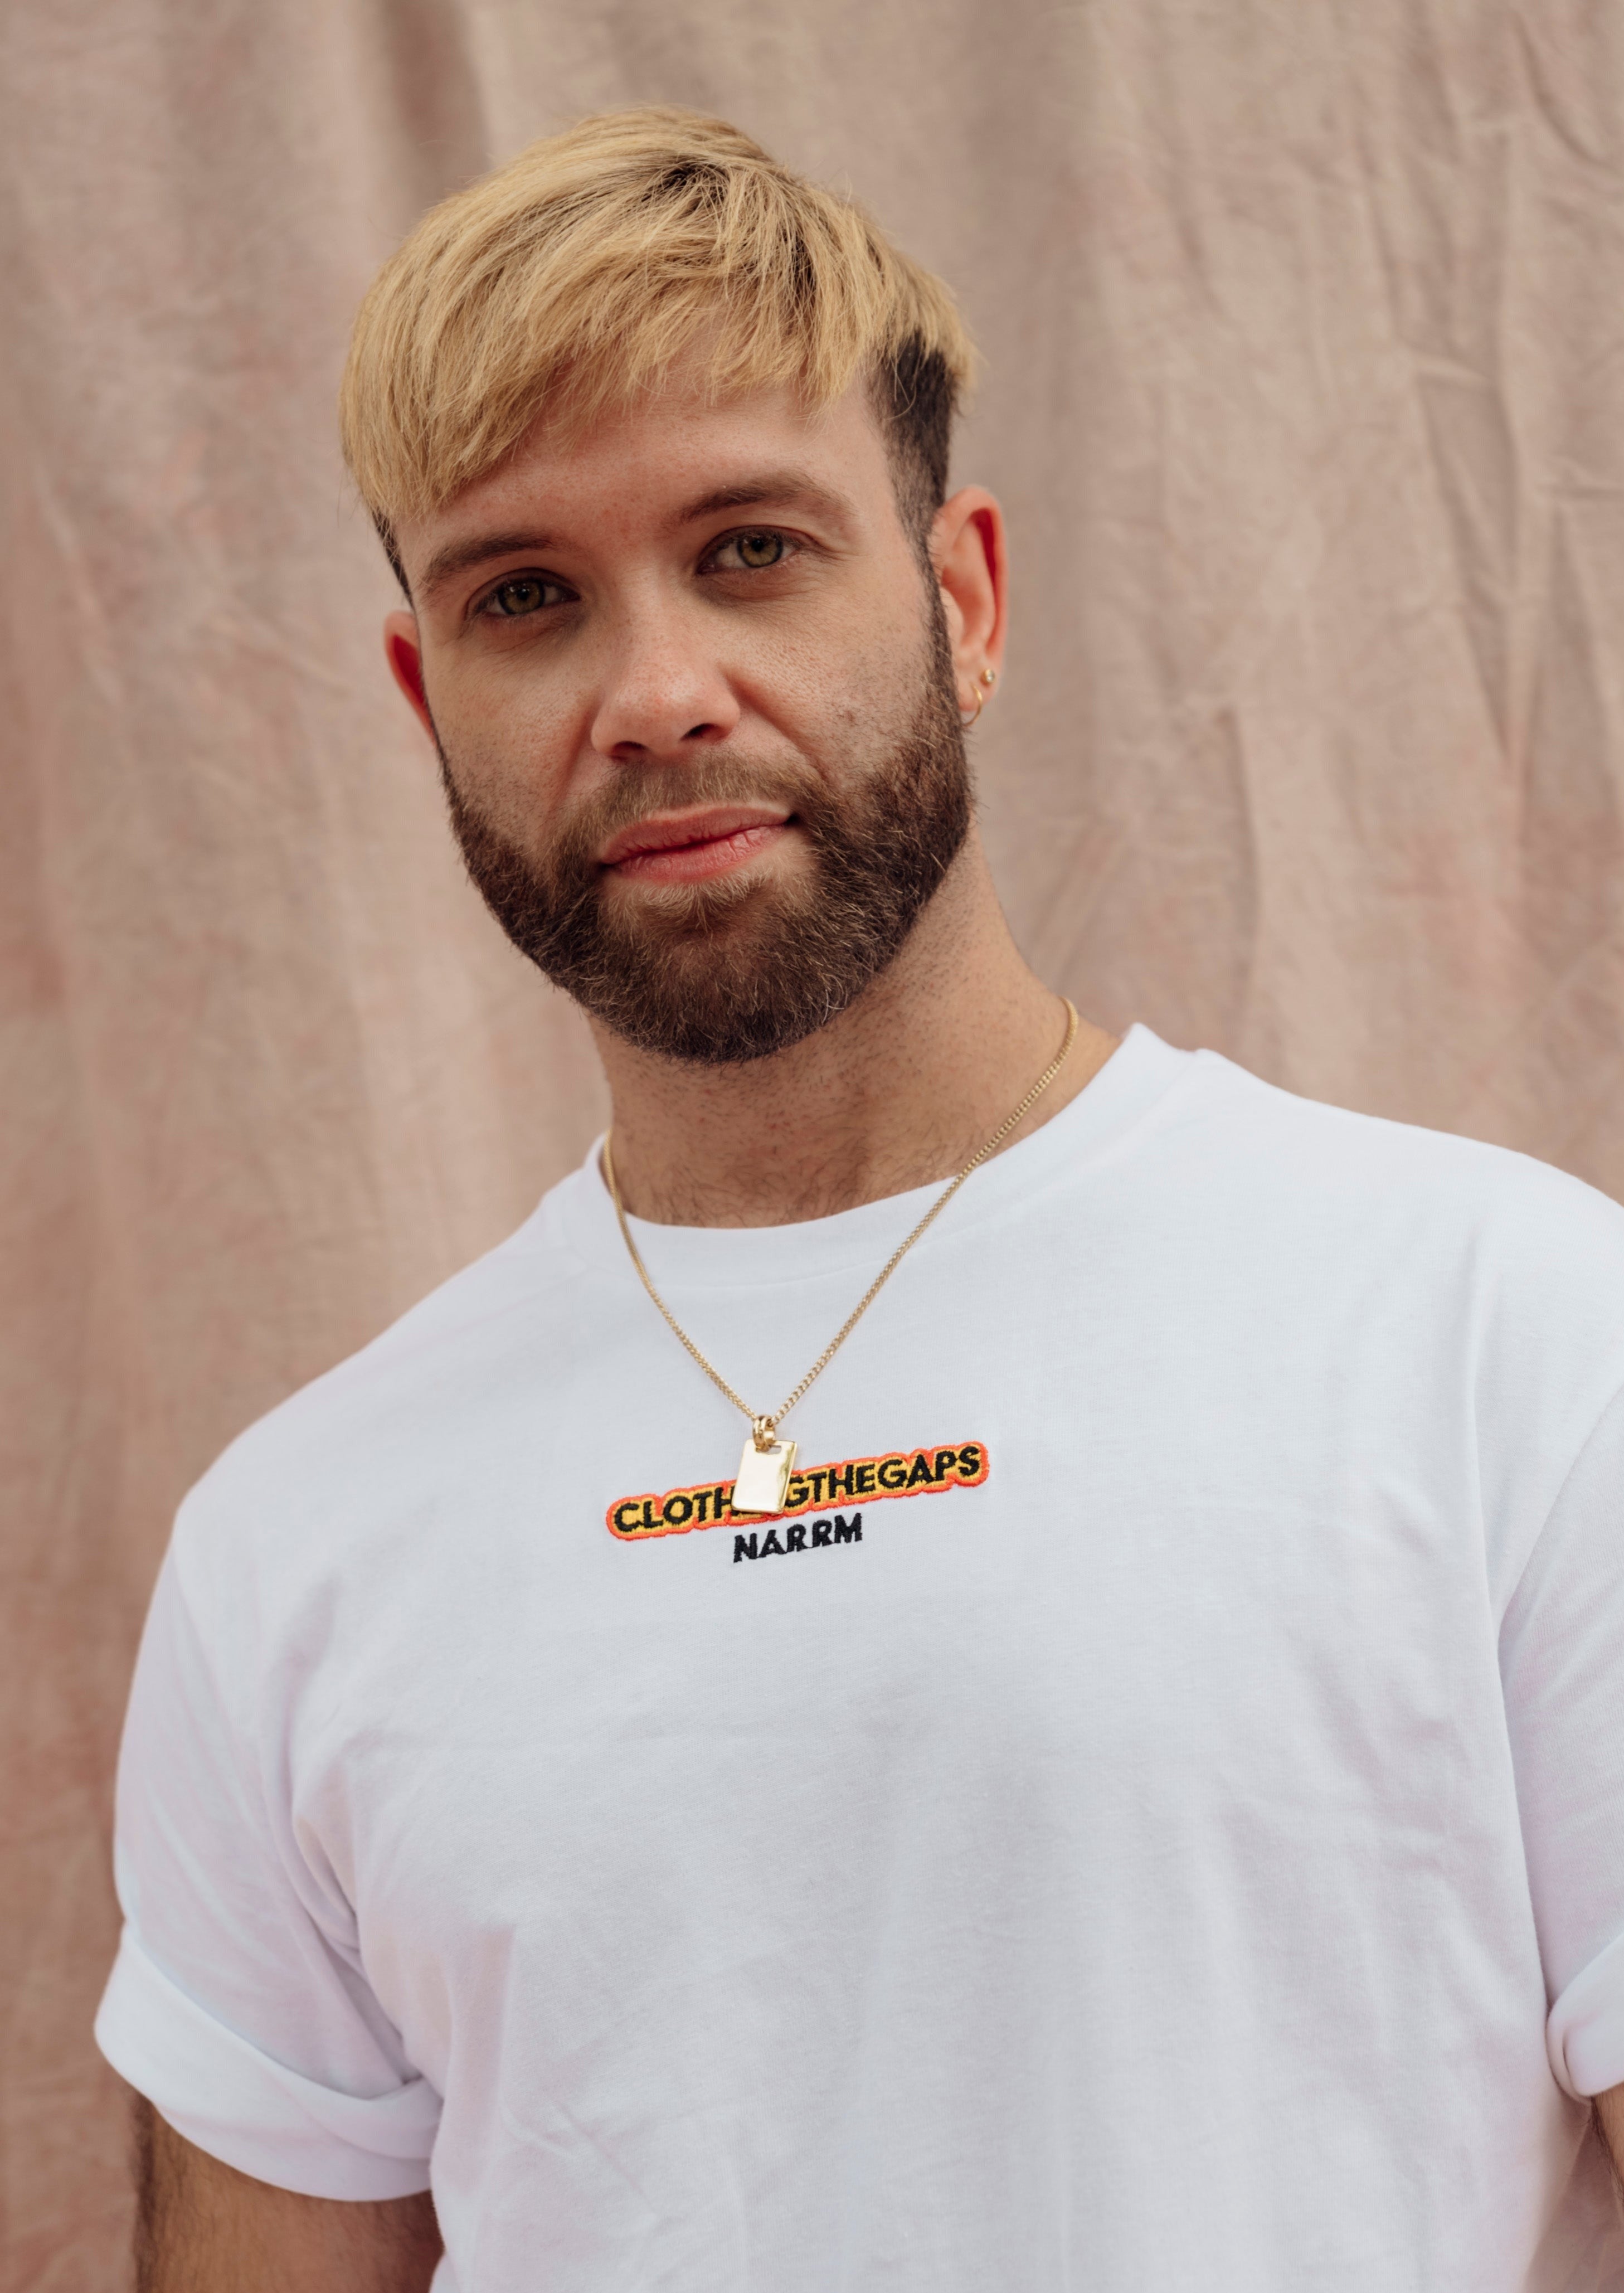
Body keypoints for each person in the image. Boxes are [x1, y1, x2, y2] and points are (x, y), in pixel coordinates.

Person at [96, 105, 1624, 2293]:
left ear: (964, 599)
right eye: (528, 597)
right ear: (431, 699)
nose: (653, 695)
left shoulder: (1515, 1341)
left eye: (750, 550)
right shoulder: (291, 1545)